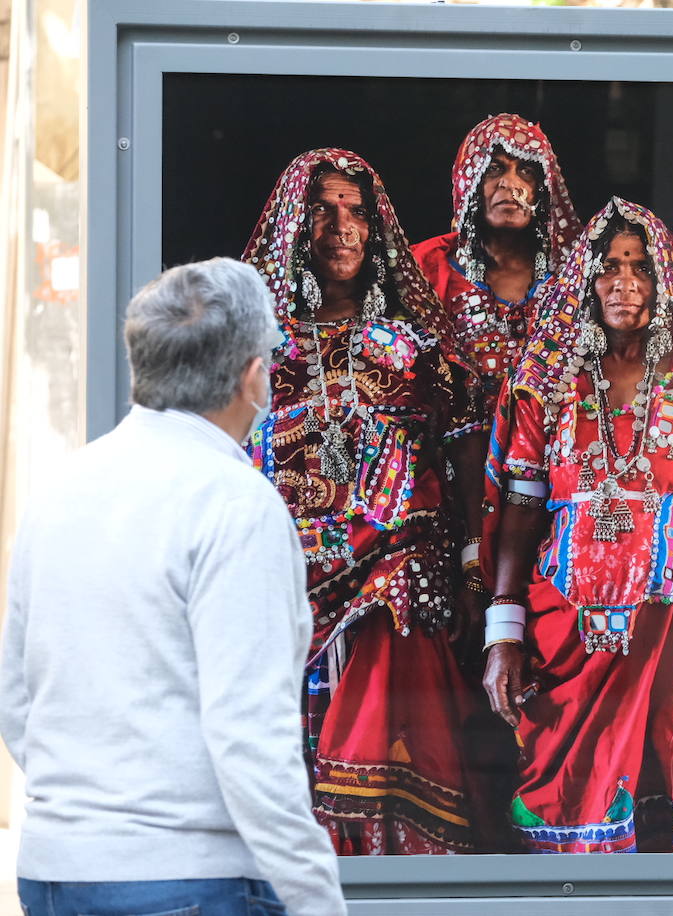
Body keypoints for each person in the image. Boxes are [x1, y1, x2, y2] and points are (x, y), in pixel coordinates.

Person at [0, 259, 345, 915]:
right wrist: (314, 899)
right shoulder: (237, 504)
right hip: (187, 878)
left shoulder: (61, 489)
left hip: (54, 874)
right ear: (253, 378)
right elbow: (249, 734)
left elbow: (17, 696)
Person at [481, 198, 673, 853]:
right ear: (586, 281)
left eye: (639, 268)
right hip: (567, 635)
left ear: (663, 283)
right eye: (609, 267)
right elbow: (519, 512)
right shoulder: (548, 386)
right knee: (567, 802)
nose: (624, 283)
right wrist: (504, 632)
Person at [243, 148, 478, 854]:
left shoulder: (418, 350)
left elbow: (463, 465)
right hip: (280, 586)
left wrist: (471, 570)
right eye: (323, 209)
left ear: (375, 232)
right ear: (294, 224)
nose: (340, 227)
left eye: (355, 212)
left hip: (395, 580)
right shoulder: (257, 351)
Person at [412, 113, 582, 606]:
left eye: (525, 172)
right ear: (470, 181)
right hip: (450, 494)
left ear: (546, 188)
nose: (510, 185)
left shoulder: (582, 272)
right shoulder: (427, 267)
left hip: (554, 492)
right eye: (495, 170)